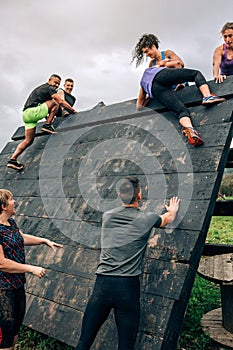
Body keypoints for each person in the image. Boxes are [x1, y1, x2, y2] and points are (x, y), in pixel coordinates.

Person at [75, 176, 180, 350]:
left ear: (119, 195)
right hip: (128, 288)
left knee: (84, 342)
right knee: (126, 346)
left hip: (103, 285)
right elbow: (167, 218)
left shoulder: (107, 216)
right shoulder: (148, 219)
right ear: (139, 195)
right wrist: (173, 210)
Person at [132, 34, 226, 147]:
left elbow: (180, 65)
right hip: (165, 84)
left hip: (167, 87)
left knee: (181, 111)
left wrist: (175, 80)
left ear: (153, 46)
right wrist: (164, 65)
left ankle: (190, 129)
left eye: (147, 51)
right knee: (196, 74)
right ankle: (206, 98)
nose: (147, 55)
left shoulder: (166, 54)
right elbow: (176, 65)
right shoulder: (152, 65)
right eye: (145, 53)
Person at [0, 189, 63, 350]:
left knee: (14, 330)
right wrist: (30, 268)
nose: (15, 202)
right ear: (3, 206)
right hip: (3, 289)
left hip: (17, 285)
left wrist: (44, 241)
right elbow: (2, 263)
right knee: (5, 335)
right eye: (11, 199)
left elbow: (21, 238)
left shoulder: (11, 224)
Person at [7, 74, 77, 171]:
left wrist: (48, 116)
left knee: (28, 141)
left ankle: (12, 160)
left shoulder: (41, 89)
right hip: (33, 112)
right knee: (55, 102)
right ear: (49, 80)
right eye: (55, 83)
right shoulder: (49, 88)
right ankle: (47, 125)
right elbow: (60, 102)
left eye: (58, 84)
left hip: (26, 115)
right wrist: (73, 111)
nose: (56, 85)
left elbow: (42, 105)